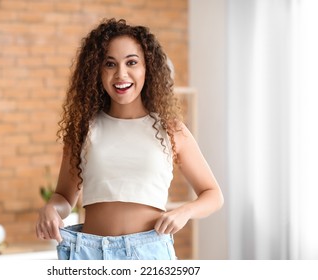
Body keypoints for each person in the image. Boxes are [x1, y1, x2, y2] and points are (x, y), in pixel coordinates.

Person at [35, 18, 223, 260]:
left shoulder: (171, 130)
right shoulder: (83, 130)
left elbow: (213, 194)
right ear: (97, 71)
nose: (120, 74)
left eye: (131, 62)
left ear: (148, 68)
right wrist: (51, 208)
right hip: (88, 255)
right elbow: (63, 197)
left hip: (150, 253)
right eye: (110, 64)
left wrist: (184, 212)